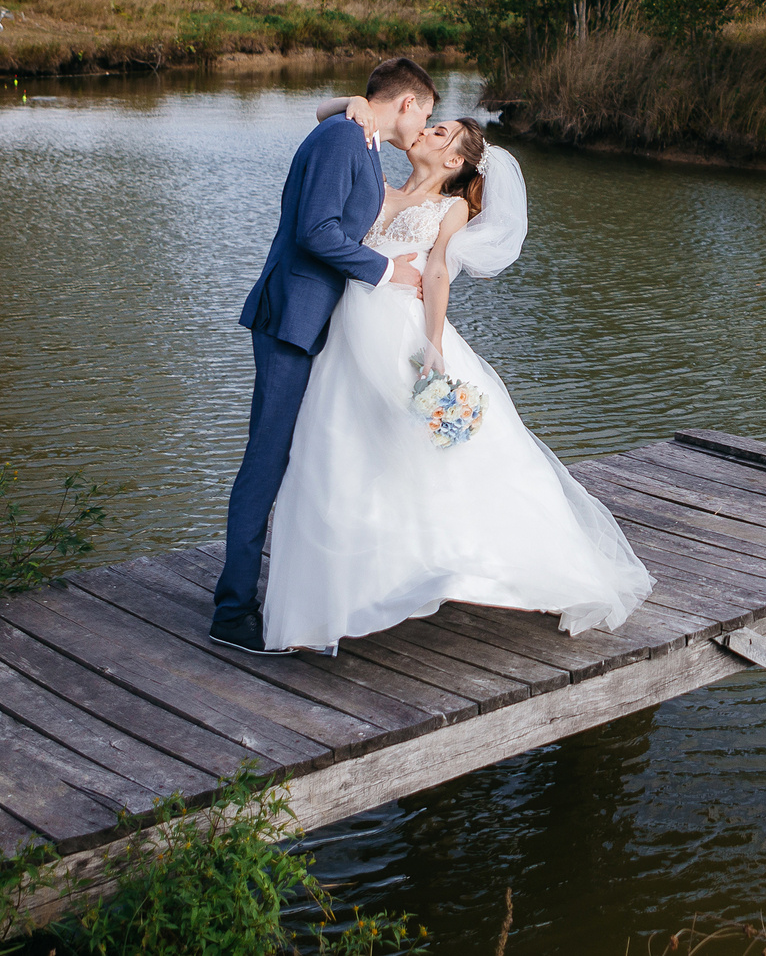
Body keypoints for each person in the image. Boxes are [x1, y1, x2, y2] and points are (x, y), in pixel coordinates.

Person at [261, 109, 653, 653]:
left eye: (440, 132)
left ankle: (480, 562)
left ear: (453, 161)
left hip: (399, 330)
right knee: (338, 445)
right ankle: (330, 603)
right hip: (347, 330)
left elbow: (438, 270)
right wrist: (354, 101)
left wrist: (434, 344)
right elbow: (334, 164)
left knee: (429, 454)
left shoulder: (449, 208)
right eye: (431, 123)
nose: (426, 130)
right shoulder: (376, 186)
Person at [209, 57, 436, 654]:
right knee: (265, 461)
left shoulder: (359, 134)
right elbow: (316, 232)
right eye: (426, 116)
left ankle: (301, 591)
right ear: (407, 103)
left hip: (315, 321)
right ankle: (232, 612)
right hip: (291, 318)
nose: (422, 131)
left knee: (305, 455)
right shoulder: (344, 138)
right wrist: (388, 271)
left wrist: (345, 102)